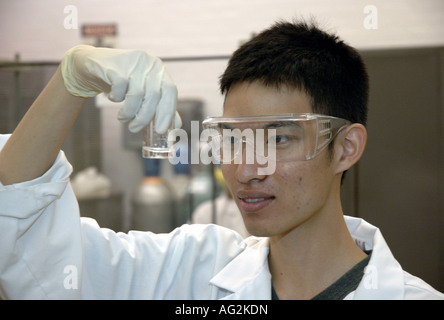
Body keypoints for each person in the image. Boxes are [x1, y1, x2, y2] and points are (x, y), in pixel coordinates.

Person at [0, 20, 442, 300]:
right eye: (232, 139)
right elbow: (27, 240)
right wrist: (71, 80)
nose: (246, 170)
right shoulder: (196, 271)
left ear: (345, 148)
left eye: (279, 138)